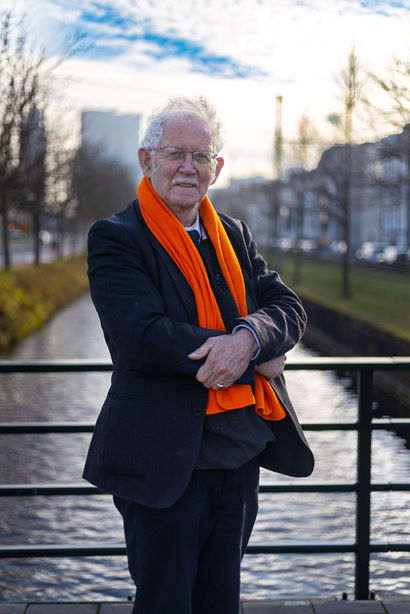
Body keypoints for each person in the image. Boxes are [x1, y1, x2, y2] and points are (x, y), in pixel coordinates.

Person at [83, 96, 314, 614]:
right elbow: (140, 335)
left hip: (240, 454)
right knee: (165, 602)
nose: (188, 167)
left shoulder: (233, 234)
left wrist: (250, 337)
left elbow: (287, 307)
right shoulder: (117, 238)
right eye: (175, 154)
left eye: (201, 156)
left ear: (217, 167)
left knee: (220, 600)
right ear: (147, 160)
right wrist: (252, 354)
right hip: (161, 460)